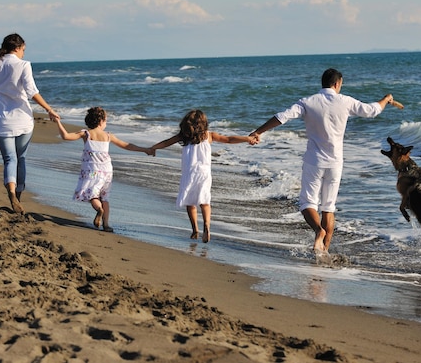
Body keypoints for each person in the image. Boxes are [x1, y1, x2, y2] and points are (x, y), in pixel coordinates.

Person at [250, 68, 395, 253]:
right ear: (337, 84)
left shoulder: (308, 102)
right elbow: (372, 110)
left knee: (307, 204)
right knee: (328, 208)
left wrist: (258, 132)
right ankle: (324, 251)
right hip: (335, 163)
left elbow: (282, 117)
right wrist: (386, 99)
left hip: (314, 161)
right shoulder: (345, 101)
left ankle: (318, 231)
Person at [152, 109, 259, 243]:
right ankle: (207, 226)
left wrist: (153, 148)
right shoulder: (209, 135)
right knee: (205, 201)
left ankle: (195, 230)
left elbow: (166, 142)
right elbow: (229, 139)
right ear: (204, 124)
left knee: (190, 203)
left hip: (189, 173)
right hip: (204, 173)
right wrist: (247, 139)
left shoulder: (184, 136)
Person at [0, 33, 60, 214]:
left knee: (9, 159)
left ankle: (10, 191)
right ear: (17, 48)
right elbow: (31, 92)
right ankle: (18, 195)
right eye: (23, 50)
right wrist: (49, 109)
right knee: (21, 158)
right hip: (23, 120)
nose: (24, 54)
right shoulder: (23, 65)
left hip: (2, 121)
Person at [55, 107, 154, 232]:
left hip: (91, 170)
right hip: (107, 171)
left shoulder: (86, 134)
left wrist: (58, 122)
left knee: (92, 196)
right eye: (106, 120)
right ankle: (106, 224)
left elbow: (66, 136)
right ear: (101, 121)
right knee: (105, 197)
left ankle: (99, 210)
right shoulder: (108, 136)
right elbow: (127, 146)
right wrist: (145, 150)